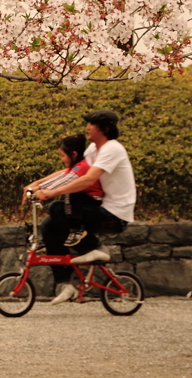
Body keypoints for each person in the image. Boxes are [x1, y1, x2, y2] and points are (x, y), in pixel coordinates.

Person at [30, 110, 137, 305]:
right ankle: (67, 282)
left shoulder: (112, 149)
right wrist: (38, 183)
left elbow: (87, 179)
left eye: (91, 124)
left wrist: (52, 193)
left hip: (114, 214)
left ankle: (95, 247)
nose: (87, 128)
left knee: (57, 208)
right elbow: (72, 171)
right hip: (102, 208)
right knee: (48, 225)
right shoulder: (93, 150)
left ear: (104, 128)